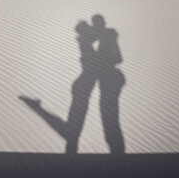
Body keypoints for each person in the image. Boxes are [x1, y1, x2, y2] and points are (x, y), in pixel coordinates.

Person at [20, 15, 125, 154]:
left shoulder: (94, 40)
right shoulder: (89, 42)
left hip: (89, 85)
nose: (94, 27)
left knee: (76, 131)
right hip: (84, 87)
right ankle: (115, 157)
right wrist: (105, 32)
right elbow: (110, 54)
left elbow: (113, 54)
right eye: (91, 26)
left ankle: (37, 108)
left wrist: (104, 32)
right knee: (76, 131)